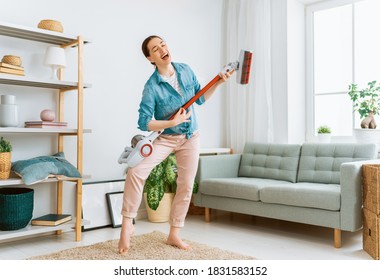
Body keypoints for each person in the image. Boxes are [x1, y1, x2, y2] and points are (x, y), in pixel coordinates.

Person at [118, 35, 233, 254]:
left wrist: (218, 81)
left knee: (186, 184)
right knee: (135, 172)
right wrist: (172, 122)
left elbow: (200, 98)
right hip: (166, 138)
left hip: (191, 136)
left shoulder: (185, 70)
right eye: (155, 48)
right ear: (150, 58)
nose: (161, 49)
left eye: (163, 44)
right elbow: (144, 123)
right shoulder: (151, 87)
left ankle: (174, 234)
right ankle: (126, 225)